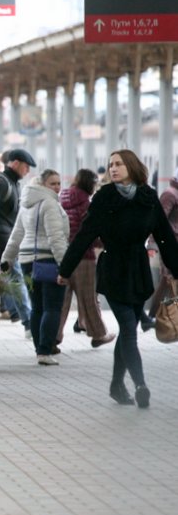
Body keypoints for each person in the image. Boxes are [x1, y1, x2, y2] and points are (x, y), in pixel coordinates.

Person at [60, 150, 178, 408]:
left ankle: (116, 385)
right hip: (113, 270)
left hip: (138, 271)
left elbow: (165, 237)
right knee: (128, 329)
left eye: (118, 164)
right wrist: (66, 269)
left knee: (128, 331)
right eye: (110, 164)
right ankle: (140, 385)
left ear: (132, 167)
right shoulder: (104, 198)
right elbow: (84, 235)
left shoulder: (148, 197)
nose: (112, 168)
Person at [1, 169, 70, 365]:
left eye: (58, 183)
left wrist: (7, 259)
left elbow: (16, 235)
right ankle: (44, 351)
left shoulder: (26, 204)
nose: (57, 187)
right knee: (52, 307)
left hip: (26, 262)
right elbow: (56, 237)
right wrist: (64, 266)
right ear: (42, 184)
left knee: (37, 306)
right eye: (52, 184)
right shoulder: (49, 203)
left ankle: (39, 349)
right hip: (47, 260)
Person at [56, 169, 115, 347]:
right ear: (89, 184)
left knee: (62, 301)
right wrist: (103, 243)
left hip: (63, 256)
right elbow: (91, 233)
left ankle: (53, 336)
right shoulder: (87, 204)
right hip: (84, 257)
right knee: (88, 298)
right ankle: (98, 334)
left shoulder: (62, 199)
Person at [0, 148, 35, 336]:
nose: (28, 171)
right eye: (26, 167)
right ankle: (28, 323)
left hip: (4, 240)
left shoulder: (13, 183)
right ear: (16, 163)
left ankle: (23, 320)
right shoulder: (1, 183)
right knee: (14, 278)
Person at [148, 167, 178, 320]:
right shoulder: (170, 194)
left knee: (169, 280)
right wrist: (152, 245)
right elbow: (158, 220)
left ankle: (155, 315)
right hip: (170, 245)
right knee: (167, 279)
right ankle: (152, 315)